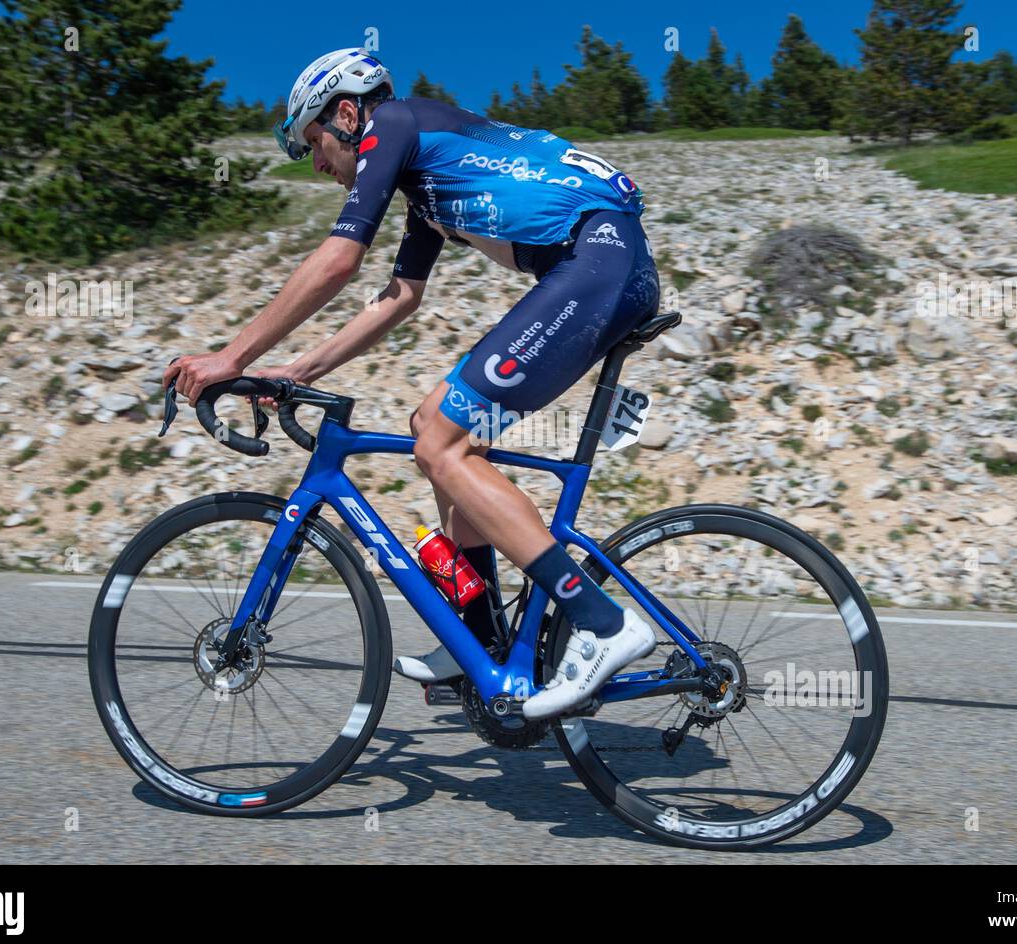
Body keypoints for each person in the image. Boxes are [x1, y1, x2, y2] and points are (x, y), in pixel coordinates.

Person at [164, 49, 660, 719]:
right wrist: (296, 369)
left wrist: (232, 356)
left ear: (346, 113)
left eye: (314, 142)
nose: (316, 162)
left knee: (443, 446)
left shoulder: (391, 123)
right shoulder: (423, 181)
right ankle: (479, 640)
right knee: (434, 426)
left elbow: (340, 261)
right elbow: (399, 297)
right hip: (597, 263)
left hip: (597, 261)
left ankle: (601, 622)